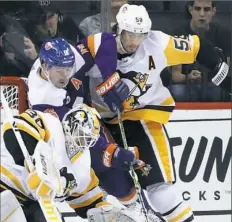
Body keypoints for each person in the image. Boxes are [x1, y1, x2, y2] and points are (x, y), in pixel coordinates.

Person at [76, 3, 231, 222]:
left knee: (160, 188)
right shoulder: (98, 46)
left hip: (143, 120)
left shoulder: (158, 43)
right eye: (130, 35)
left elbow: (196, 46)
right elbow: (67, 69)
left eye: (140, 35)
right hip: (102, 127)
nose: (134, 42)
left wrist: (218, 68)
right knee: (110, 189)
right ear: (119, 28)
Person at [27, 37, 163, 221]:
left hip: (84, 120)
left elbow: (105, 40)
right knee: (102, 166)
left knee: (115, 171)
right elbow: (74, 132)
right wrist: (110, 152)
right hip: (63, 140)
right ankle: (104, 206)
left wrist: (108, 82)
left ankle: (135, 207)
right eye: (60, 71)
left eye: (68, 69)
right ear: (44, 66)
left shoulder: (68, 57)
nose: (65, 76)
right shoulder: (43, 97)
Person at [1, 104, 147, 222]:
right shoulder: (50, 124)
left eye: (86, 139)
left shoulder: (82, 166)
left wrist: (106, 213)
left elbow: (89, 201)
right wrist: (34, 164)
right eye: (78, 133)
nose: (79, 141)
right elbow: (12, 130)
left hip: (26, 202)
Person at [169, 0, 231, 101]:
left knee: (221, 91)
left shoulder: (223, 34)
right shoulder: (179, 34)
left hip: (213, 85)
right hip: (186, 86)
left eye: (206, 9)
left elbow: (228, 72)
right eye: (197, 9)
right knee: (177, 92)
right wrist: (188, 77)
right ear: (190, 10)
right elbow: (175, 76)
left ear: (213, 11)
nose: (202, 14)